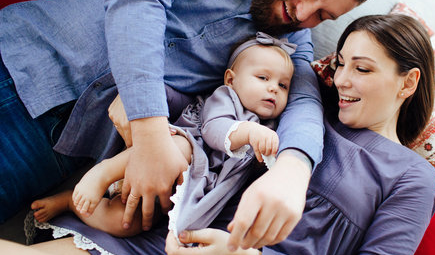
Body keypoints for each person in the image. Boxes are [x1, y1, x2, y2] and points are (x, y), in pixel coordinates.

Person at [0, 0, 381, 249]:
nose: (302, 14)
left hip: (56, 146)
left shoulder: (289, 41)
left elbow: (304, 104)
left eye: (322, 15)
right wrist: (150, 131)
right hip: (24, 56)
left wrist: (293, 172)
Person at [0, 13, 435, 255]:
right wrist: (142, 99)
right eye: (340, 63)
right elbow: (214, 108)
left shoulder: (412, 178)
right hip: (148, 236)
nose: (341, 79)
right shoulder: (303, 106)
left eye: (361, 69)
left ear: (409, 81)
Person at [29, 33, 296, 238]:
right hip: (180, 148)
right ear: (230, 79)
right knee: (178, 148)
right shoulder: (225, 98)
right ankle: (104, 173)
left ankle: (72, 203)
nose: (273, 89)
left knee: (127, 224)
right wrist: (249, 133)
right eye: (263, 78)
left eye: (283, 85)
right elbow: (214, 131)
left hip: (189, 185)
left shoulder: (270, 125)